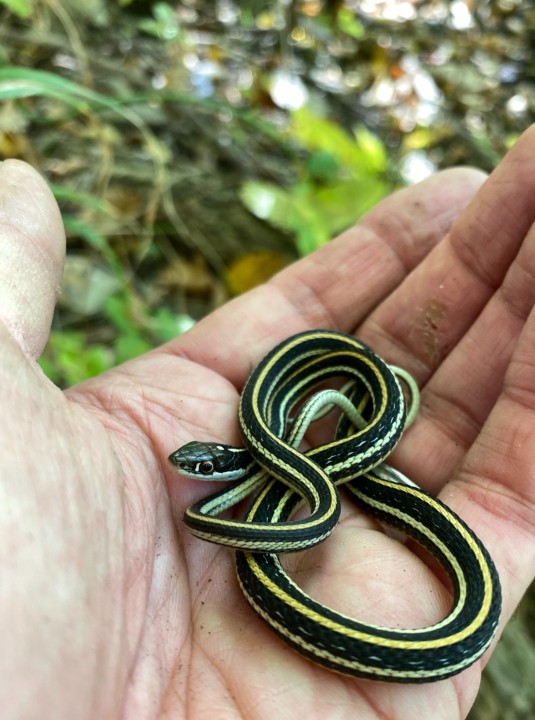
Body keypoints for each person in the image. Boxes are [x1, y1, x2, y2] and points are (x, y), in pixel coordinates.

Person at [1, 124, 534, 720]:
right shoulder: (270, 450)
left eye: (201, 465)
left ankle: (372, 398)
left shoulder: (277, 459)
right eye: (199, 463)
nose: (189, 467)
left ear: (228, 465)